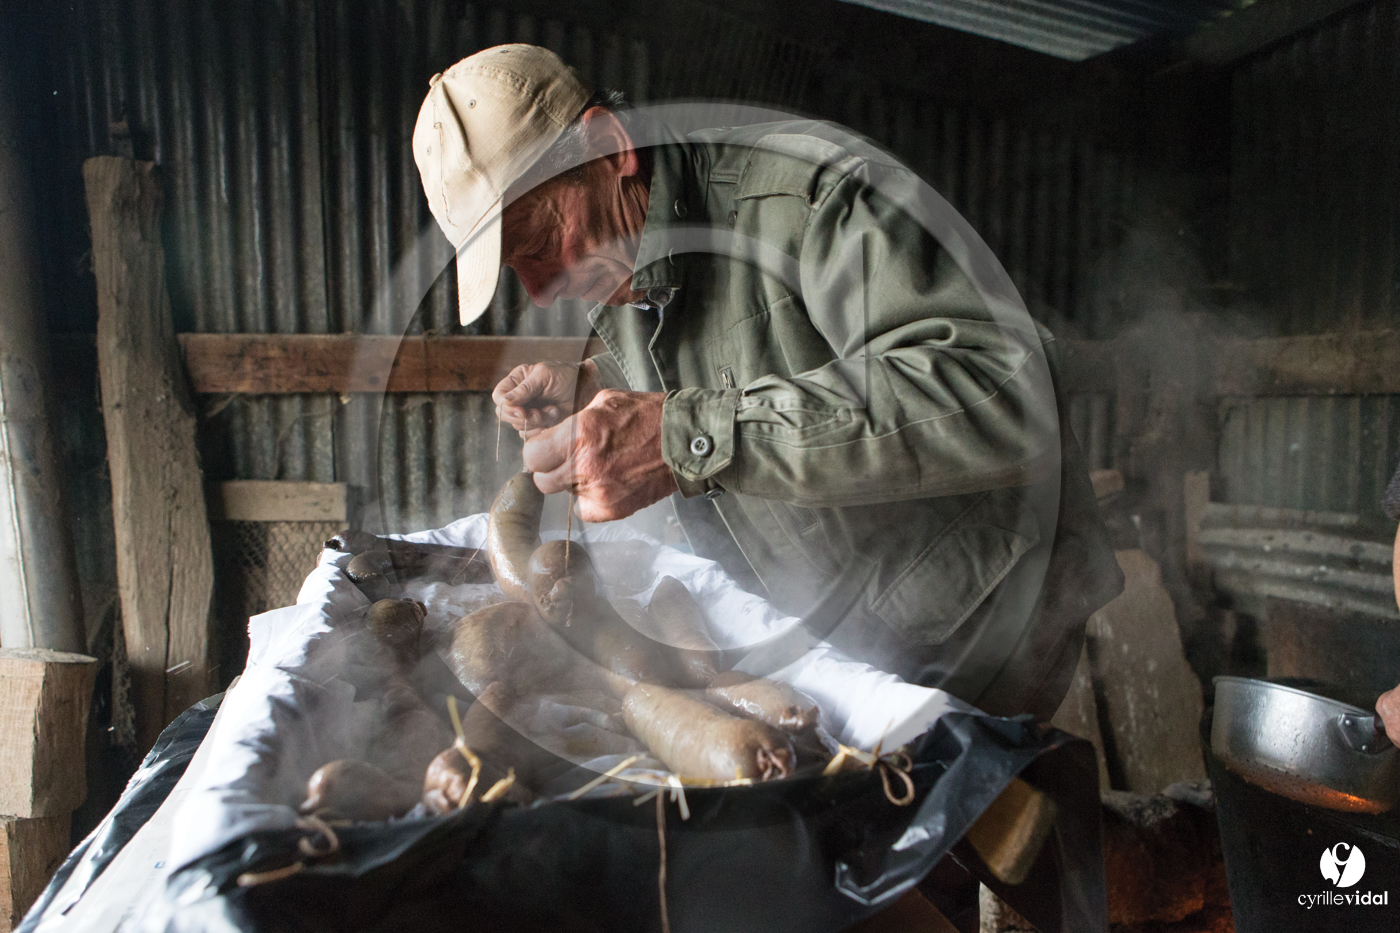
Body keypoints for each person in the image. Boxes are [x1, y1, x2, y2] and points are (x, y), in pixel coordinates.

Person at [413, 44, 1124, 719]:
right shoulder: (627, 249)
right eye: (517, 268)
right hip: (835, 632)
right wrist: (593, 381)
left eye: (539, 246)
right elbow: (738, 351)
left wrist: (685, 437)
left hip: (979, 622)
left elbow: (1005, 389)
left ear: (608, 150)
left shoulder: (818, 194)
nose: (540, 293)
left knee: (967, 827)